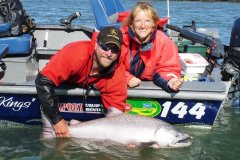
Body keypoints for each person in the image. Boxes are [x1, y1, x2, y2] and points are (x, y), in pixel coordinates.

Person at [35, 26, 128, 137]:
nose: (109, 53)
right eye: (105, 47)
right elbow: (42, 81)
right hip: (61, 80)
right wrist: (57, 120)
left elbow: (116, 115)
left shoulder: (117, 73)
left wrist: (125, 138)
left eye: (114, 50)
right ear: (96, 44)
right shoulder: (75, 54)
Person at [120, 2, 183, 92]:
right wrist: (127, 78)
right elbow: (111, 66)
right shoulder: (121, 38)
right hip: (122, 87)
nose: (143, 25)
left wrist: (171, 81)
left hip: (150, 84)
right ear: (131, 23)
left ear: (154, 23)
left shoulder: (164, 41)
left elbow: (169, 67)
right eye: (138, 21)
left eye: (147, 21)